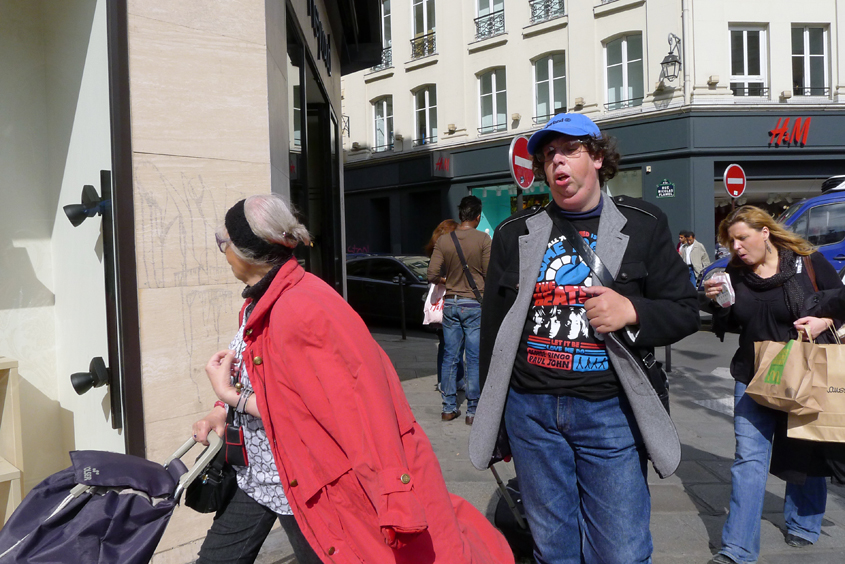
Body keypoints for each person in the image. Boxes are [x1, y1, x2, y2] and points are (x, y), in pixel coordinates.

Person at [193, 194, 514, 564]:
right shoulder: (261, 300)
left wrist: (230, 396)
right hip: (260, 473)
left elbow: (328, 407)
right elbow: (262, 373)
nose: (223, 253)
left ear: (249, 252)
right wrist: (221, 408)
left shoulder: (300, 308)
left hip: (304, 480)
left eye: (225, 243)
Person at [468, 112, 700, 564]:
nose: (557, 162)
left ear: (596, 157)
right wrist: (493, 419)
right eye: (549, 154)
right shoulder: (516, 233)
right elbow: (495, 331)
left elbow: (685, 311)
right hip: (530, 414)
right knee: (553, 550)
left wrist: (632, 310)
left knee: (621, 552)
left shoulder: (644, 223)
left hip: (610, 412)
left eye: (570, 150)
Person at [702, 205, 843, 564]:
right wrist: (718, 301)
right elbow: (731, 319)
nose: (736, 247)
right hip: (753, 375)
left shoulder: (805, 262)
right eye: (730, 241)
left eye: (742, 238)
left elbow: (840, 301)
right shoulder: (734, 272)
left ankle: (805, 523)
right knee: (748, 459)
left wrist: (821, 320)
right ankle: (738, 548)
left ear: (765, 232)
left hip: (804, 372)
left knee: (806, 449)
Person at [427, 196, 491, 425]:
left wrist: (449, 279)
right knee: (474, 358)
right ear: (477, 216)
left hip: (452, 303)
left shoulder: (444, 240)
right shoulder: (483, 239)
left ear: (461, 214)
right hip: (474, 304)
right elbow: (489, 272)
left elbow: (432, 274)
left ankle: (448, 408)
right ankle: (472, 412)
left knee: (450, 357)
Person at [424, 219, 465, 393]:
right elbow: (434, 276)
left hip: (445, 302)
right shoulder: (444, 252)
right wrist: (448, 280)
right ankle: (448, 380)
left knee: (450, 344)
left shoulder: (436, 250)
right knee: (452, 345)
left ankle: (454, 379)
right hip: (448, 301)